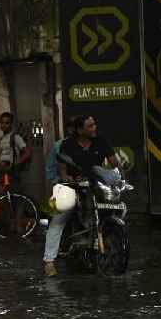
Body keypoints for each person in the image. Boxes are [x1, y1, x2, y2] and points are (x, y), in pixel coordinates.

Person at [43, 115, 121, 277]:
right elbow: (62, 168)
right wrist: (67, 179)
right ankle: (49, 262)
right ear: (79, 130)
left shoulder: (101, 141)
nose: (94, 128)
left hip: (95, 184)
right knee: (58, 220)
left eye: (94, 125)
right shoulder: (66, 145)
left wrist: (116, 171)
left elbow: (114, 163)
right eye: (90, 126)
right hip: (74, 185)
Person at [46, 116, 84, 185]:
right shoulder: (58, 145)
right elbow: (50, 168)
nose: (75, 130)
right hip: (65, 186)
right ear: (69, 129)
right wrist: (60, 179)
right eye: (73, 127)